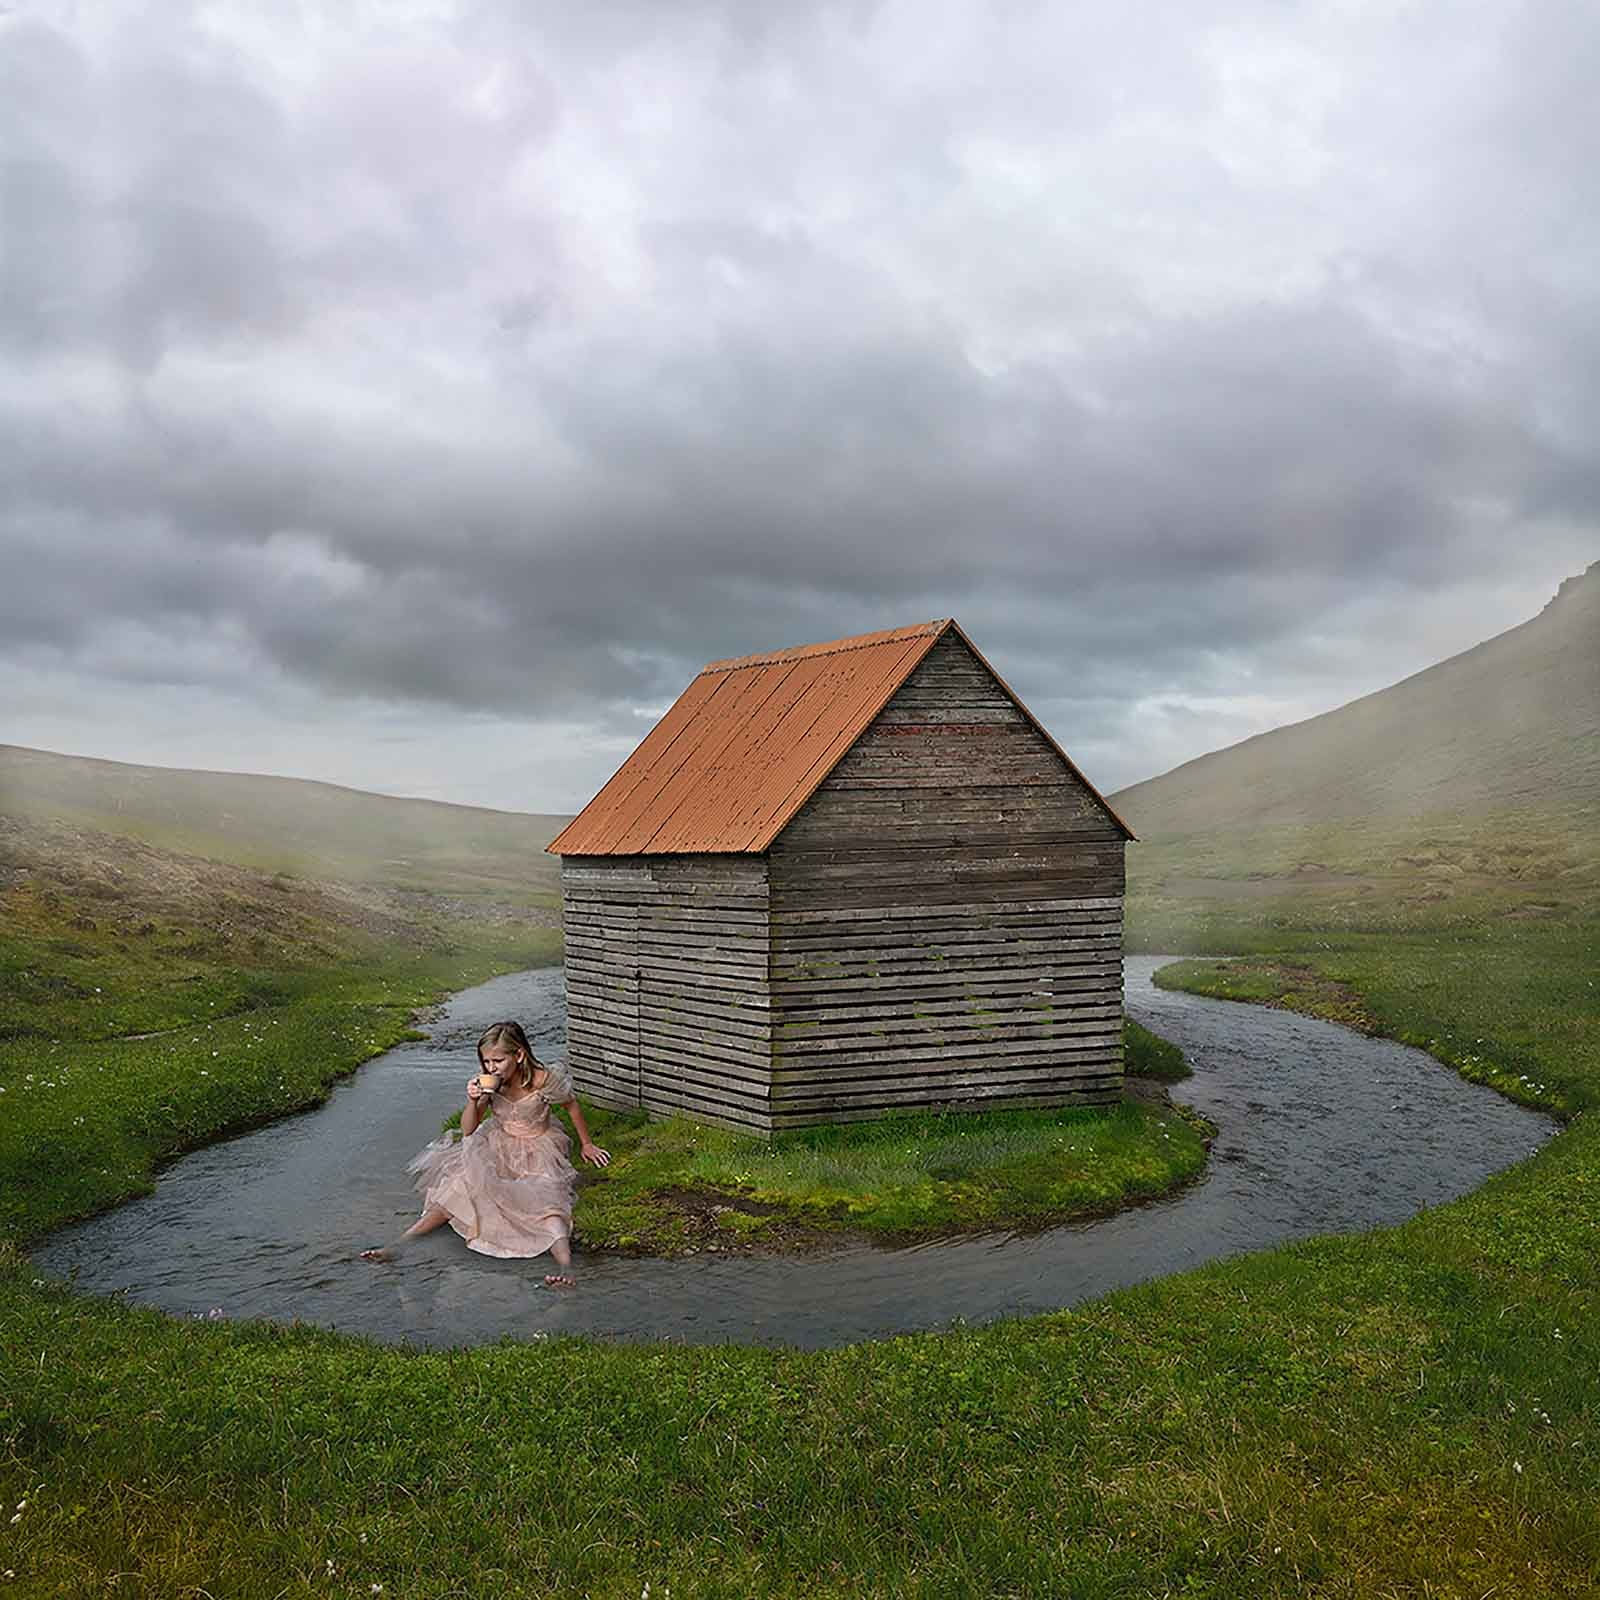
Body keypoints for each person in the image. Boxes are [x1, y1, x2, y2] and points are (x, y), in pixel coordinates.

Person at [360, 1020, 609, 1287]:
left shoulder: (541, 1078)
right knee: (458, 1189)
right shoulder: (489, 1084)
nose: (491, 1068)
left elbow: (572, 1107)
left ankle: (566, 1269)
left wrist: (586, 1144)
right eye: (486, 1062)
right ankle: (397, 1246)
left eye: (498, 1061)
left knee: (549, 1207)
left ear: (519, 1055)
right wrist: (472, 1100)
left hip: (538, 1147)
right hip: (497, 1141)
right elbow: (468, 1129)